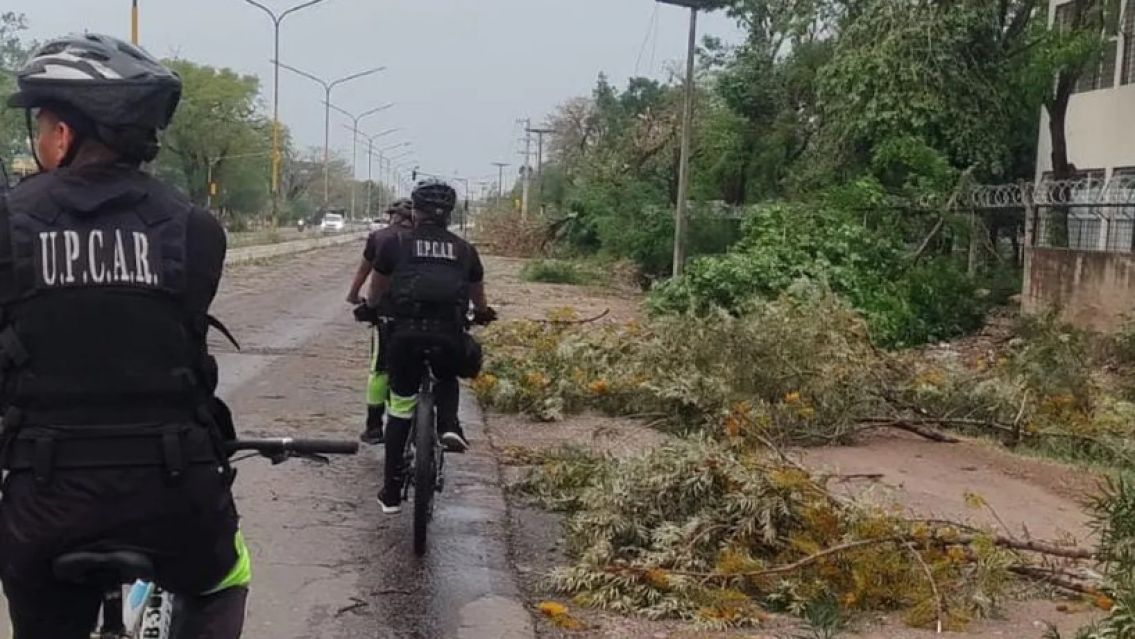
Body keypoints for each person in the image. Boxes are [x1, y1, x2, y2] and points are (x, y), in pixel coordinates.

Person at [0, 34, 248, 638]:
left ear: (63, 135)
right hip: (173, 491)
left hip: (45, 499)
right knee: (224, 578)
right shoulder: (195, 229)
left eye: (42, 127)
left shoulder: (9, 223)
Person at [356, 179, 495, 514]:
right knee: (447, 376)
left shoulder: (395, 244)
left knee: (401, 408)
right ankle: (448, 424)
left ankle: (390, 492)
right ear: (450, 214)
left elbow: (376, 291)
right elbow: (479, 298)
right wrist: (484, 314)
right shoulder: (465, 250)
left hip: (404, 337)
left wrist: (369, 308)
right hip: (448, 335)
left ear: (415, 211)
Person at [347, 198, 414, 444]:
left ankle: (374, 426)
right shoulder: (423, 239)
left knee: (379, 369)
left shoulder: (380, 238)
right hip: (422, 312)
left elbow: (365, 270)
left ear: (392, 216)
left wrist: (354, 295)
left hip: (388, 311)